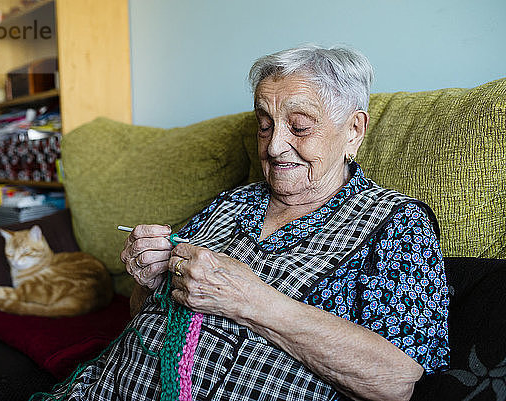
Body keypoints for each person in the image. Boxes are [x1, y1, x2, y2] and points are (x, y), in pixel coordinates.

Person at [43, 44, 449, 401]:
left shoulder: (397, 224)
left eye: (300, 126)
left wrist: (253, 302)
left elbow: (398, 382)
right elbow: (143, 319)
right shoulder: (232, 202)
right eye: (264, 124)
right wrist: (148, 283)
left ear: (353, 131)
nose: (273, 146)